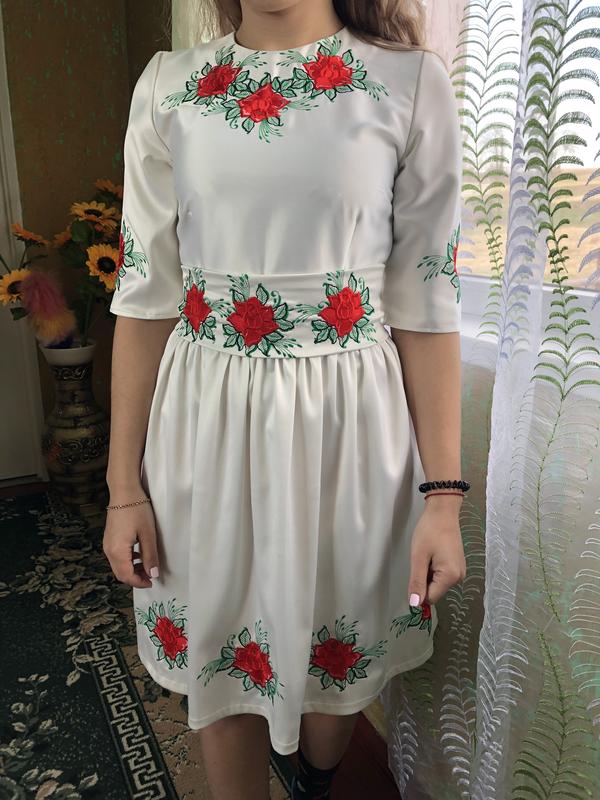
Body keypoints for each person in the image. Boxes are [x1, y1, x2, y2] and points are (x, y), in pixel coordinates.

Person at [102, 1, 468, 798]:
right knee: (219, 647)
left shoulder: (409, 85)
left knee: (340, 658)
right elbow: (144, 299)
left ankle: (313, 779)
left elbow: (428, 306)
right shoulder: (169, 88)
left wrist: (444, 497)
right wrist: (123, 487)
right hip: (205, 424)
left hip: (352, 431)